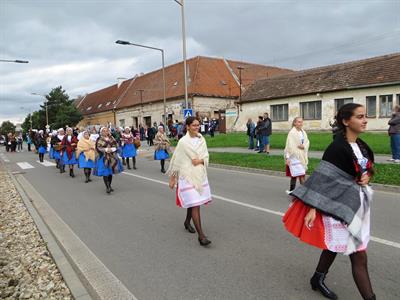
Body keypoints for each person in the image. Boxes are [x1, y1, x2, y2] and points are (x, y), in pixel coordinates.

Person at [283, 103, 376, 300]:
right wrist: (313, 208)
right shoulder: (336, 148)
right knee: (358, 253)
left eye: (364, 116)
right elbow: (322, 179)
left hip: (357, 205)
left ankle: (317, 278)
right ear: (345, 121)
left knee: (337, 244)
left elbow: (366, 169)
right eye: (360, 116)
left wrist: (368, 176)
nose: (365, 119)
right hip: (338, 205)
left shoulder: (361, 146)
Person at [167, 116, 212, 247]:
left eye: (198, 125)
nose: (197, 127)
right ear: (187, 127)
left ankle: (187, 222)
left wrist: (201, 161)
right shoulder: (183, 142)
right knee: (195, 204)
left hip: (199, 174)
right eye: (194, 125)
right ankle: (201, 236)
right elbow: (176, 160)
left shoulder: (201, 139)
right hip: (186, 176)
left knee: (194, 203)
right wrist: (172, 178)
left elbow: (206, 155)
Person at [284, 117, 310, 194]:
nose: (300, 123)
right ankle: (293, 190)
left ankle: (302, 192)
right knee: (295, 174)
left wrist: (304, 146)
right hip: (294, 156)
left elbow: (307, 141)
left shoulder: (303, 132)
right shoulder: (292, 133)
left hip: (301, 156)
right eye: (298, 122)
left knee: (301, 174)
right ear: (294, 123)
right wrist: (287, 157)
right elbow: (289, 145)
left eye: (301, 122)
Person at [94, 127, 123, 194]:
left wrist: (113, 149)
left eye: (106, 131)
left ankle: (109, 185)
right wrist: (106, 150)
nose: (105, 132)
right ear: (101, 132)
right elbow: (98, 147)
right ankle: (107, 187)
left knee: (110, 173)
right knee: (105, 173)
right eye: (103, 131)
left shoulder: (111, 138)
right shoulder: (99, 139)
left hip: (112, 157)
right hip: (103, 157)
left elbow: (116, 145)